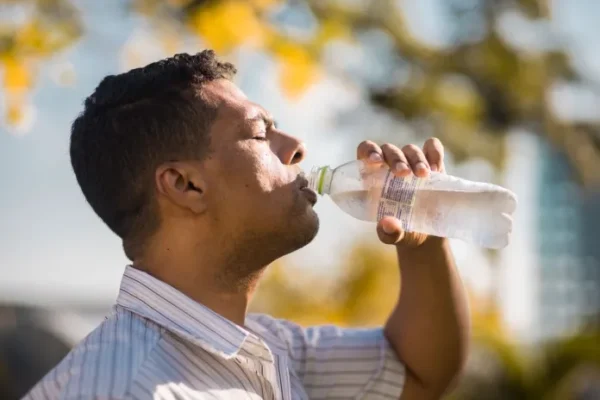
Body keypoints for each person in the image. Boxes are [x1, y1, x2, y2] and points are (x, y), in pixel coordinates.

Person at [24, 50, 469, 400]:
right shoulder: (123, 390)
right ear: (186, 184)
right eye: (260, 133)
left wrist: (421, 236)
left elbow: (419, 371)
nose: (297, 146)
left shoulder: (270, 349)